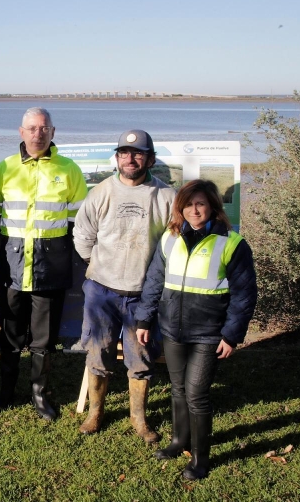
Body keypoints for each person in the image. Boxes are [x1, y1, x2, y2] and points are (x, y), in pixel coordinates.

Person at [135, 180, 257, 480]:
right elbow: (154, 281)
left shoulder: (231, 243)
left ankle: (201, 458)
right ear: (180, 208)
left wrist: (231, 335)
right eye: (188, 204)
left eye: (200, 203)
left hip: (209, 333)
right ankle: (179, 441)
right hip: (173, 329)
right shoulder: (170, 238)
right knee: (178, 389)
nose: (194, 210)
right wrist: (144, 320)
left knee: (197, 394)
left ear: (213, 205)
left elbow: (244, 294)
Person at [0, 107, 88, 421]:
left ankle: (40, 395)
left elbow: (78, 223)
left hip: (50, 266)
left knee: (44, 339)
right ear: (21, 132)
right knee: (10, 334)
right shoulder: (3, 169)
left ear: (53, 132)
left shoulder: (69, 169)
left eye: (44, 128)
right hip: (12, 265)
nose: (38, 133)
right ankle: (6, 392)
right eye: (32, 128)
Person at [73, 130, 175, 442]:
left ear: (151, 159)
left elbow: (174, 242)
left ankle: (138, 419)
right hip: (101, 290)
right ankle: (95, 413)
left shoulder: (168, 197)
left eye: (138, 153)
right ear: (116, 158)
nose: (130, 159)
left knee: (140, 358)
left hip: (144, 295)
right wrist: (101, 265)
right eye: (124, 152)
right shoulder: (101, 192)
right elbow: (83, 234)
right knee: (98, 353)